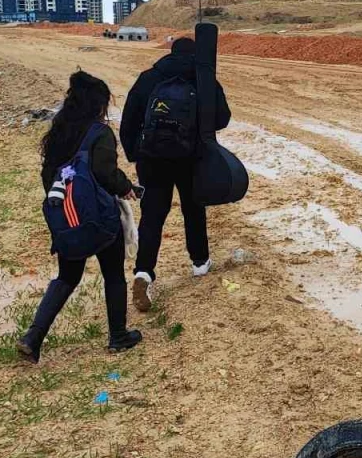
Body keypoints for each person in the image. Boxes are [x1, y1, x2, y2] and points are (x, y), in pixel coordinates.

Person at [18, 71, 142, 363]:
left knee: (66, 277)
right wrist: (126, 188)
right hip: (100, 218)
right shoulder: (100, 133)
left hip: (67, 219)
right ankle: (118, 336)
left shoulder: (59, 132)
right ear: (97, 104)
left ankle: (32, 338)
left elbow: (49, 176)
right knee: (113, 275)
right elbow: (105, 173)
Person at [120, 37, 231, 312]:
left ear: (170, 53)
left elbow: (128, 122)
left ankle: (143, 272)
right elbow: (222, 118)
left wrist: (136, 154)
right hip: (190, 158)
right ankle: (199, 263)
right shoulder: (203, 79)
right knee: (193, 209)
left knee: (153, 215)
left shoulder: (148, 78)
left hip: (152, 158)